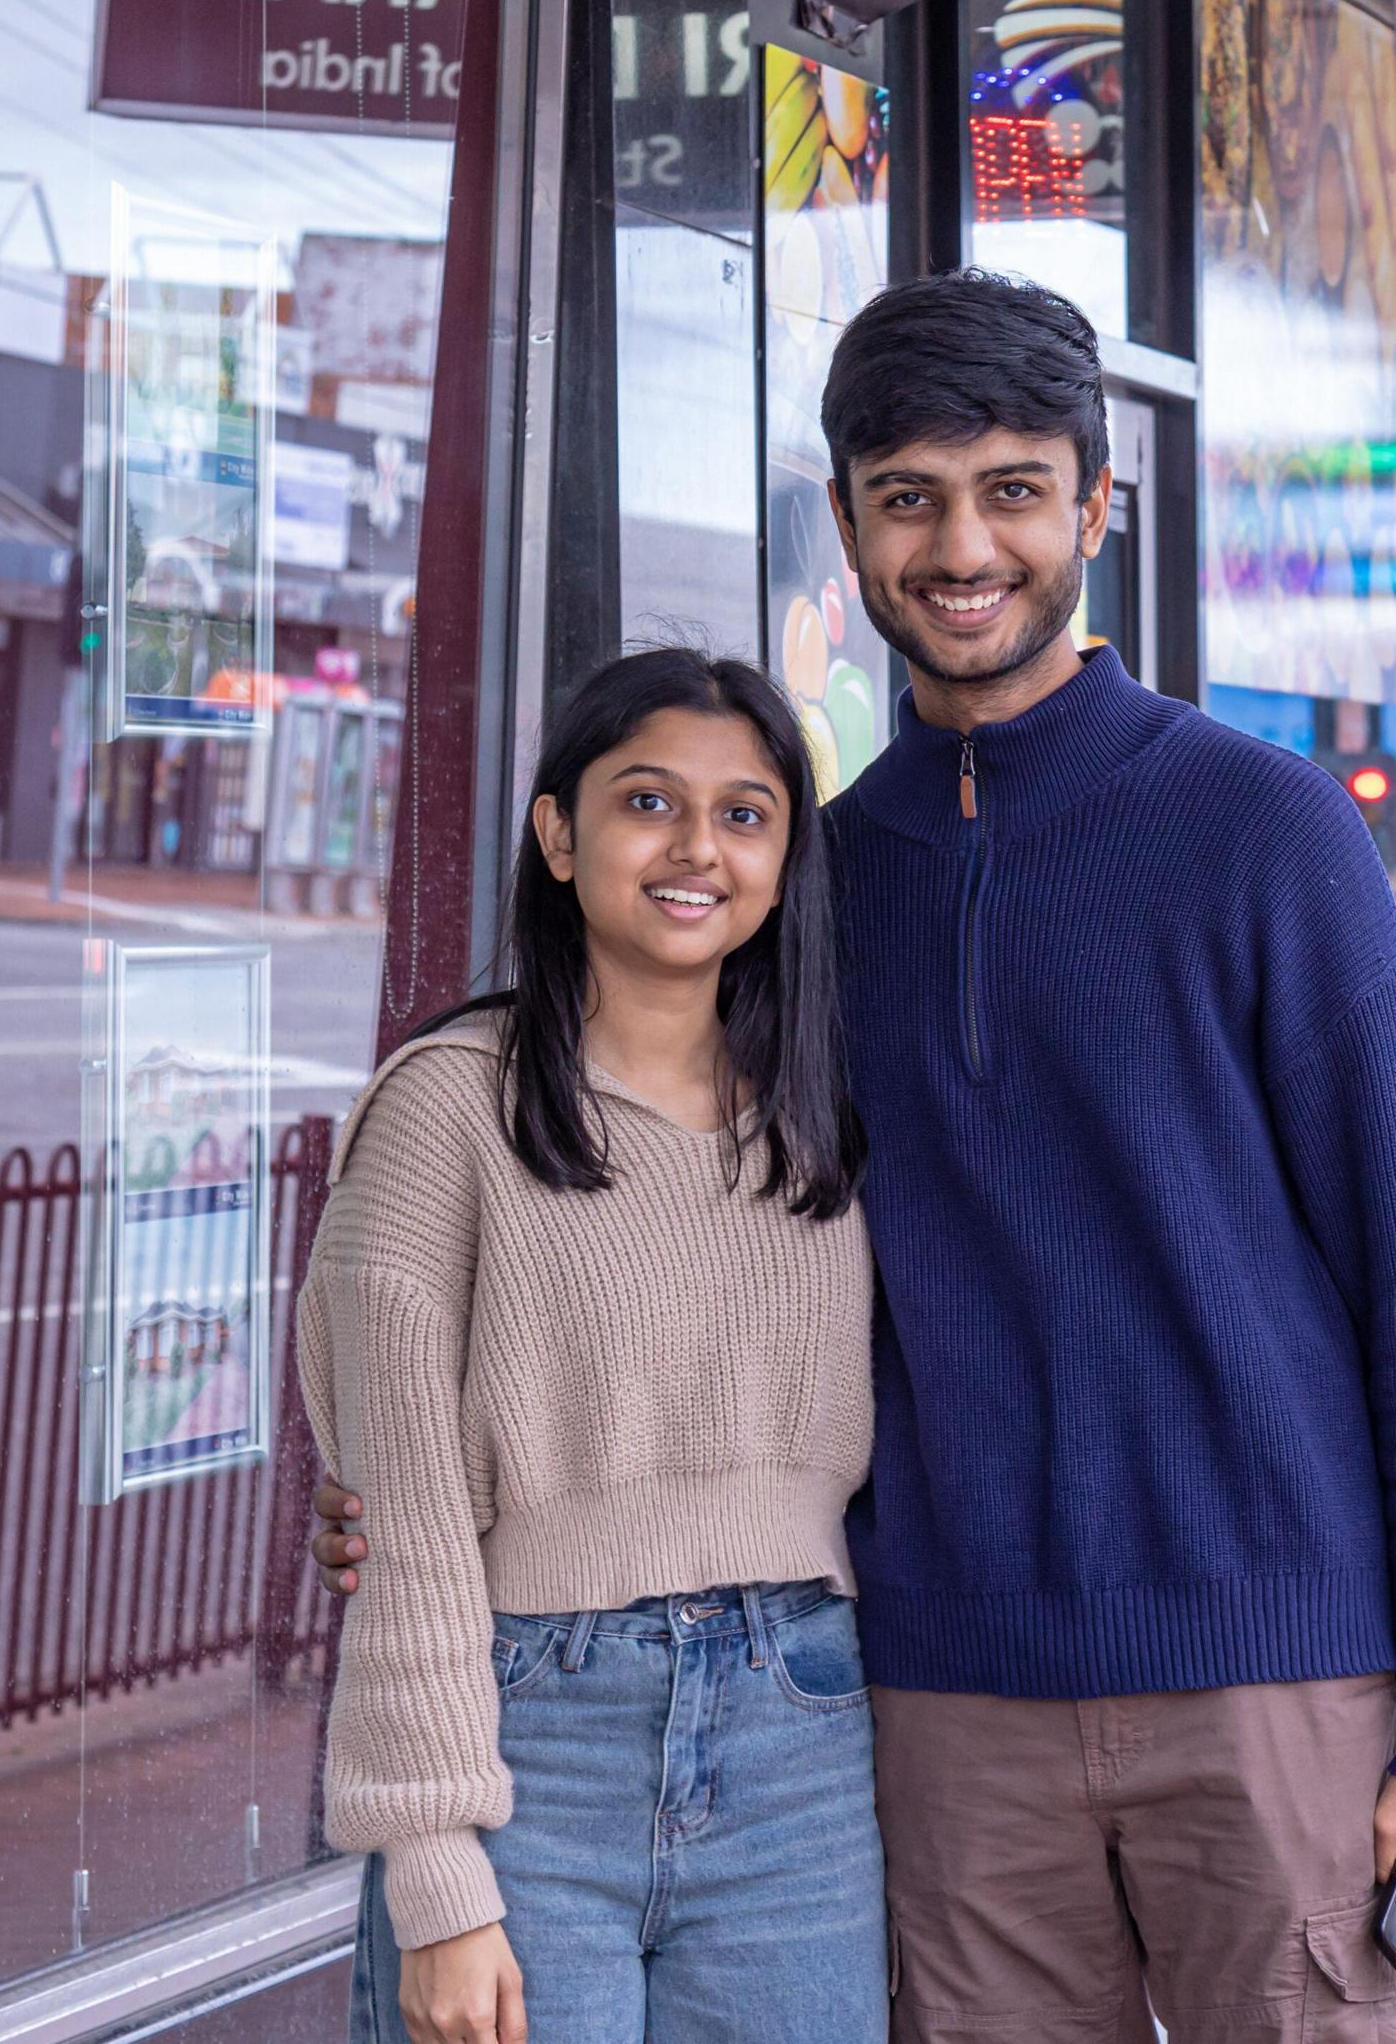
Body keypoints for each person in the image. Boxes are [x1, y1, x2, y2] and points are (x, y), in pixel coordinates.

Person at [315, 270, 1396, 2039]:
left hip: (1272, 1679)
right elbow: (669, 1220)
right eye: (911, 499)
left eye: (1015, 490)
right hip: (936, 1704)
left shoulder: (1269, 835)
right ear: (851, 527)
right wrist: (416, 1491)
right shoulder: (811, 887)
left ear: (1095, 508)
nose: (964, 546)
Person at [306, 651, 884, 2044]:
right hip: (531, 1745)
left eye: (745, 815)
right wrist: (437, 1875)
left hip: (803, 1738)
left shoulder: (827, 1116)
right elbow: (415, 1539)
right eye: (648, 803)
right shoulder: (447, 1115)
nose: (698, 850)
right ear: (559, 835)